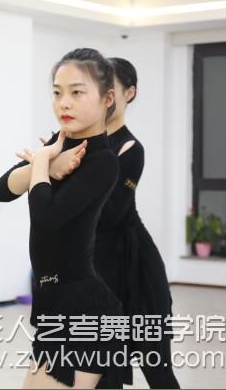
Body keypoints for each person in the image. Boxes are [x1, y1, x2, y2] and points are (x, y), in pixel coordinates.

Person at [0, 48, 125, 389]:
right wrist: (47, 164)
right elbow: (3, 189)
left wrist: (40, 163)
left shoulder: (103, 162)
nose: (63, 103)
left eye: (76, 92)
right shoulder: (57, 143)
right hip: (55, 301)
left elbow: (46, 217)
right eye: (57, 92)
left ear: (107, 98)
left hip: (83, 310)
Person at [91, 58, 180, 389]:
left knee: (157, 369)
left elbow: (110, 214)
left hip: (136, 269)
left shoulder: (130, 148)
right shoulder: (79, 144)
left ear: (129, 93)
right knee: (100, 372)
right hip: (96, 268)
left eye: (110, 87)